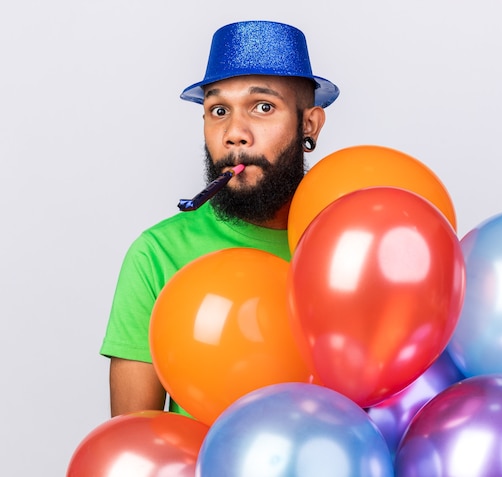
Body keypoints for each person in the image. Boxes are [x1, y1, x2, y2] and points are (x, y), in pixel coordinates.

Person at [100, 20, 339, 417]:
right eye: (218, 110)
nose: (235, 133)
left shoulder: (349, 251)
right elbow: (133, 449)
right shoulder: (157, 255)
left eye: (263, 107)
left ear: (309, 124)